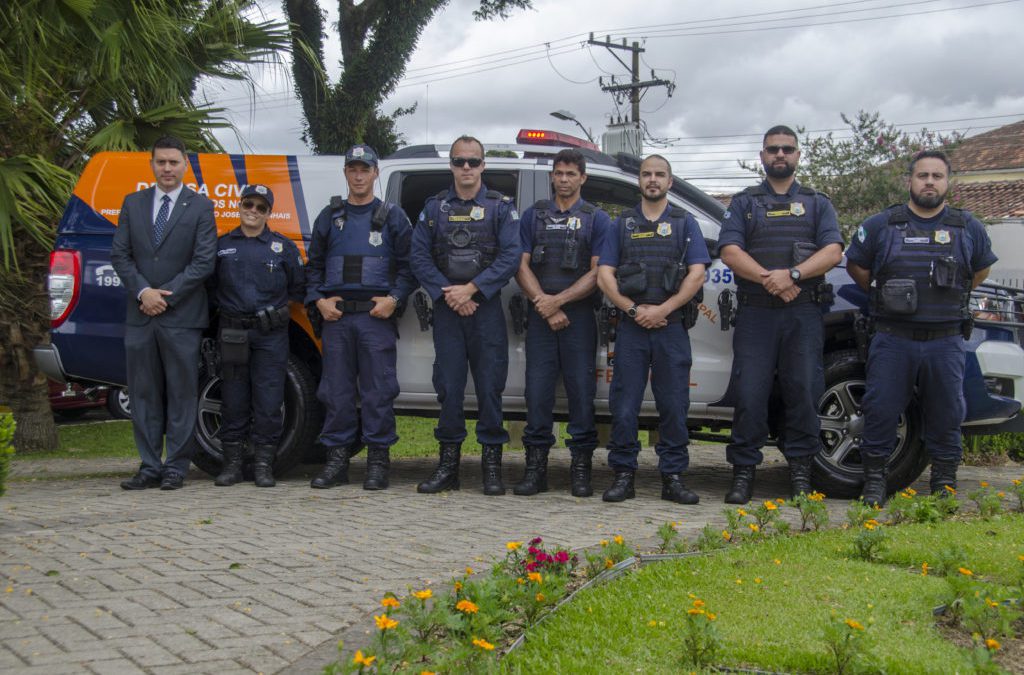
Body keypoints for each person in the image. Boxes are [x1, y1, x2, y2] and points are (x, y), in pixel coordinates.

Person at [846, 149, 996, 506]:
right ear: (909, 180)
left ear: (947, 182)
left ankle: (944, 483)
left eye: (937, 176)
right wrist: (887, 296)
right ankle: (874, 482)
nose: (929, 182)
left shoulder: (967, 226)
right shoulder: (881, 225)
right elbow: (857, 267)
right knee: (881, 410)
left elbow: (979, 271)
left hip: (945, 339)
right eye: (922, 175)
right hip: (892, 338)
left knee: (946, 412)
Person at [718, 125, 844, 504]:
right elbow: (729, 250)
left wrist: (792, 275)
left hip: (802, 312)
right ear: (762, 156)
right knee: (750, 394)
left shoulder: (818, 203)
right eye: (773, 149)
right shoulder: (744, 203)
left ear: (798, 155)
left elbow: (833, 250)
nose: (780, 155)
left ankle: (802, 472)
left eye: (787, 149)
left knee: (803, 391)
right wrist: (769, 279)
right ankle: (743, 473)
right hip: (757, 313)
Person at [410, 135, 520, 495]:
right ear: (452, 166)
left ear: (483, 165)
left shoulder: (501, 208)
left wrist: (471, 290)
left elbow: (510, 257)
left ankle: (491, 467)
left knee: (490, 389)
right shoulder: (434, 209)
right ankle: (448, 468)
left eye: (473, 161)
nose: (467, 168)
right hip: (447, 310)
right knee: (450, 388)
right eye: (460, 161)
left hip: (485, 309)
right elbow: (419, 257)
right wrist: (450, 294)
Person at [596, 154, 710, 504]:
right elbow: (604, 274)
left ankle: (673, 477)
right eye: (647, 174)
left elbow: (697, 273)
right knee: (625, 405)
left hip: (670, 326)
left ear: (669, 182)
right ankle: (623, 475)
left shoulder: (684, 223)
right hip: (631, 328)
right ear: (640, 181)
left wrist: (664, 308)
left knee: (674, 405)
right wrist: (633, 309)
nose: (652, 180)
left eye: (659, 174)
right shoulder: (622, 224)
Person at [305, 145, 416, 490]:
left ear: (375, 173)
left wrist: (394, 300)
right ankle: (336, 462)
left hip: (374, 318)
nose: (358, 175)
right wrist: (318, 301)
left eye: (364, 169)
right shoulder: (329, 216)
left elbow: (411, 269)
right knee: (335, 392)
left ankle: (377, 464)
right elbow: (314, 268)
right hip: (337, 320)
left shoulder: (392, 217)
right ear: (345, 172)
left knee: (377, 392)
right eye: (352, 168)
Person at [111, 136, 217, 490]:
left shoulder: (201, 207)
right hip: (140, 314)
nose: (167, 168)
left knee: (181, 393)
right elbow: (120, 256)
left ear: (185, 164)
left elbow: (203, 262)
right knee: (142, 393)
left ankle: (176, 467)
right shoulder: (133, 203)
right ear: (152, 164)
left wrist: (164, 298)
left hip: (181, 316)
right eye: (161, 162)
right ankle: (149, 465)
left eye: (173, 162)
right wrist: (144, 292)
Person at [514, 149, 610, 497]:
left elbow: (599, 271)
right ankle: (535, 470)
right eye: (559, 173)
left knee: (581, 394)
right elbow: (520, 264)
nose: (564, 179)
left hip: (579, 317)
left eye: (571, 173)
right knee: (536, 393)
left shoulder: (596, 219)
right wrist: (545, 303)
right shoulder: (534, 215)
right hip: (541, 316)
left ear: (583, 177)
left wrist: (559, 301)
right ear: (552, 177)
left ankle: (580, 471)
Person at [210, 185, 305, 488]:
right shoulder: (222, 245)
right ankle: (232, 464)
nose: (253, 211)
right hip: (233, 332)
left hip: (270, 334)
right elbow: (209, 286)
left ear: (269, 213)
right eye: (248, 204)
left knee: (269, 399)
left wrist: (274, 312)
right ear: (240, 206)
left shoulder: (282, 247)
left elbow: (297, 287)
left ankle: (264, 464)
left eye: (260, 207)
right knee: (233, 398)